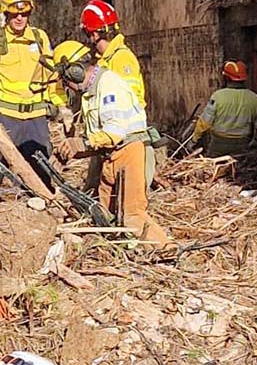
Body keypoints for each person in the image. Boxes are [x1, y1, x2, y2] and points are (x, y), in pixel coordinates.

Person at [51, 41, 171, 247]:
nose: (66, 87)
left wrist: (80, 143)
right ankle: (123, 253)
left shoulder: (108, 85)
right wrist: (68, 152)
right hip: (111, 155)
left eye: (65, 80)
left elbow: (114, 132)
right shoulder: (91, 92)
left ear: (75, 71)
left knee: (132, 214)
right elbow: (98, 139)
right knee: (106, 214)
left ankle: (167, 250)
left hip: (130, 152)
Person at [0, 0, 64, 192]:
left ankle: (40, 208)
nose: (20, 18)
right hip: (4, 117)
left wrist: (62, 106)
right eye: (15, 14)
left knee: (41, 167)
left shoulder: (40, 38)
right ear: (6, 14)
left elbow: (52, 76)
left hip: (35, 118)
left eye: (24, 14)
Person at [78, 0, 155, 195]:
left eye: (86, 33)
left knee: (128, 209)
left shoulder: (121, 59)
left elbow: (127, 106)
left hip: (124, 144)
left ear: (94, 33)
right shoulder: (105, 59)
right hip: (108, 142)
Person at [191, 61, 257, 157]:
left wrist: (194, 140)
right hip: (243, 144)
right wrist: (254, 142)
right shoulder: (256, 99)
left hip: (219, 143)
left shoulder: (218, 96)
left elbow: (204, 122)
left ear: (226, 77)